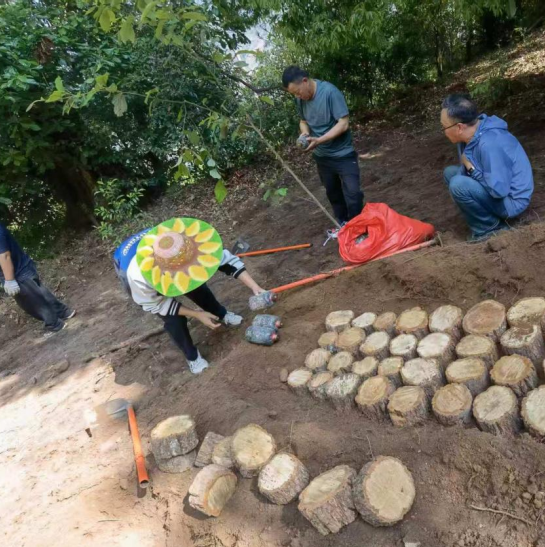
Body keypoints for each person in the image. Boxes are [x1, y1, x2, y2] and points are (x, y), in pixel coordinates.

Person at [114, 218, 277, 375]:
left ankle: (221, 314)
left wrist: (255, 287)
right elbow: (157, 304)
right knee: (173, 319)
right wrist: (196, 314)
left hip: (163, 245)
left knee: (196, 286)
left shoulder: (193, 242)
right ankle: (192, 357)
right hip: (127, 261)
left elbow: (227, 261)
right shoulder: (137, 277)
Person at [439, 94, 534, 243]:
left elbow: (498, 191)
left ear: (459, 127)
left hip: (511, 201)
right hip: (495, 186)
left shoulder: (490, 144)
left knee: (458, 184)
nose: (443, 130)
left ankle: (490, 229)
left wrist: (470, 169)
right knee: (450, 174)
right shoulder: (469, 135)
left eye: (444, 126)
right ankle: (485, 218)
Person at [282, 66, 364, 230]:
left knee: (353, 193)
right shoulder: (300, 99)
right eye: (294, 94)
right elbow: (303, 121)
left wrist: (319, 140)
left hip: (343, 154)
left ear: (305, 81)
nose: (297, 96)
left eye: (297, 92)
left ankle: (359, 227)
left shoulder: (330, 93)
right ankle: (343, 225)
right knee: (333, 193)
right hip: (323, 157)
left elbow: (343, 123)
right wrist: (305, 133)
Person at [0, 215, 74, 333]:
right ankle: (64, 312)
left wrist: (10, 280)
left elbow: (4, 256)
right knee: (39, 292)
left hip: (16, 272)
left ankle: (55, 325)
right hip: (17, 268)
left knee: (31, 301)